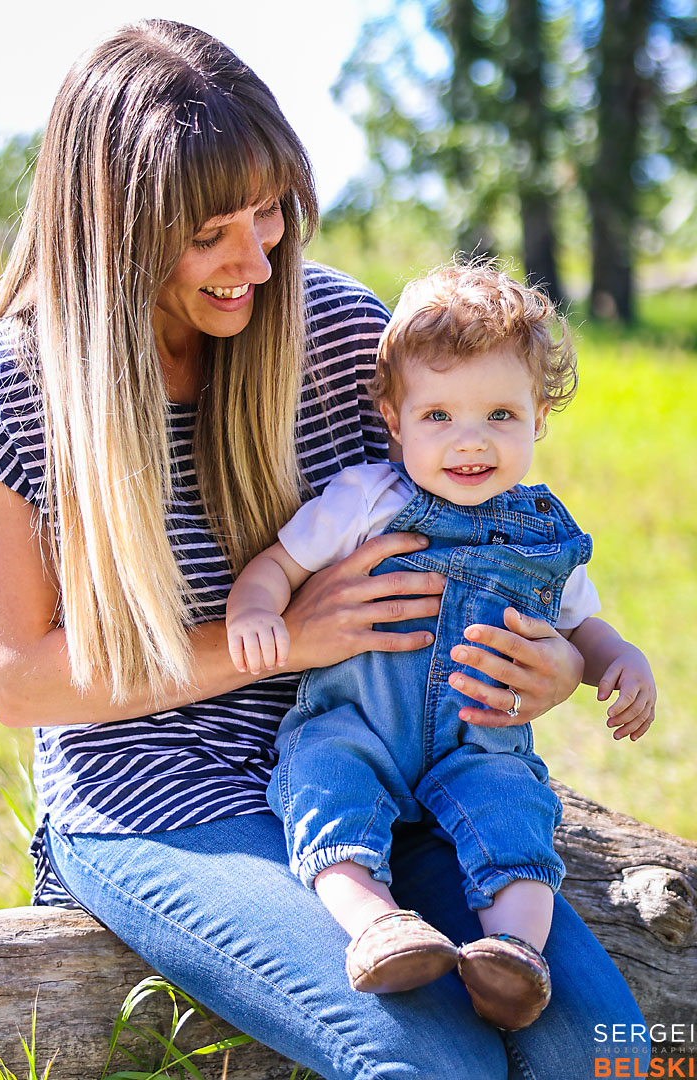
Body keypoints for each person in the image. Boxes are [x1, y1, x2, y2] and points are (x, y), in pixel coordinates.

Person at [0, 19, 649, 1080]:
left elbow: (471, 530)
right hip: (159, 801)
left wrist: (562, 665)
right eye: (211, 233)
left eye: (271, 209)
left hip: (391, 764)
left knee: (600, 1048)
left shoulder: (339, 332)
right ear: (116, 227)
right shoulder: (18, 391)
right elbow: (17, 682)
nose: (258, 257)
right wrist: (282, 638)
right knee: (431, 1063)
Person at [226, 261, 656, 1031]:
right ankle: (378, 928)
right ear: (394, 420)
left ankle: (514, 956)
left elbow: (579, 626)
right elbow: (279, 564)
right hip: (358, 722)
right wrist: (258, 612)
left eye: (499, 415)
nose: (471, 442)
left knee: (515, 811)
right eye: (438, 418)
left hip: (477, 738)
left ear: (538, 419)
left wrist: (619, 660)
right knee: (327, 790)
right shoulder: (366, 500)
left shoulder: (543, 531)